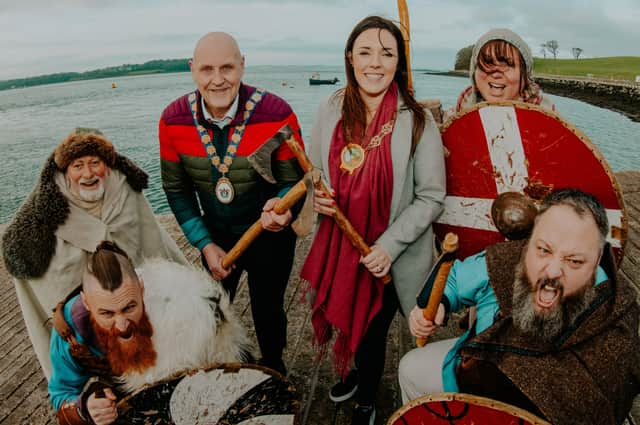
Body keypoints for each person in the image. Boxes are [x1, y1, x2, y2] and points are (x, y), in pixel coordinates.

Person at [299, 16, 446, 425]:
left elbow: (432, 197)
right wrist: (320, 196)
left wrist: (389, 246)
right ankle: (353, 373)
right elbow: (315, 172)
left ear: (398, 62)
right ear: (350, 57)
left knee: (372, 329)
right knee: (346, 318)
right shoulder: (330, 107)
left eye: (387, 53)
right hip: (339, 243)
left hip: (390, 250)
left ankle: (366, 398)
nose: (375, 63)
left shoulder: (418, 122)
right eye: (365, 52)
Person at [399, 189, 640, 425]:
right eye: (545, 250)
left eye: (574, 260)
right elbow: (452, 280)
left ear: (597, 258)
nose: (553, 271)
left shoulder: (616, 319)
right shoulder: (506, 260)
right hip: (469, 382)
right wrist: (437, 303)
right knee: (412, 369)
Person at [159, 32, 305, 375]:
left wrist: (282, 211)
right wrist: (205, 244)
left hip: (269, 234)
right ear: (192, 69)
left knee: (268, 310)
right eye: (207, 69)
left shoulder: (276, 112)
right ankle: (212, 369)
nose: (218, 79)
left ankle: (274, 369)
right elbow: (177, 192)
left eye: (227, 67)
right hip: (216, 234)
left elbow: (294, 182)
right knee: (208, 309)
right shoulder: (172, 120)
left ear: (242, 65)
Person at [1, 128, 187, 379]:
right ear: (66, 170)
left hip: (129, 297)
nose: (87, 174)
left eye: (94, 163)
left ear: (107, 166)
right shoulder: (48, 208)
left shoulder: (126, 190)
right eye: (77, 166)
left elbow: (152, 238)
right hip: (85, 311)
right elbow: (22, 253)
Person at [49, 241, 249, 425]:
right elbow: (60, 393)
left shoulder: (178, 305)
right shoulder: (70, 333)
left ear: (142, 289)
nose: (121, 325)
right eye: (106, 313)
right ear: (86, 302)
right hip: (122, 393)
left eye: (129, 308)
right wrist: (86, 408)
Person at [450, 28, 555, 117]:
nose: (496, 74)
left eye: (508, 64)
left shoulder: (544, 112)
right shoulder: (466, 102)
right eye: (488, 62)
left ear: (525, 76)